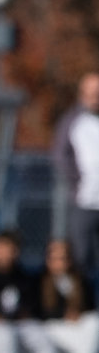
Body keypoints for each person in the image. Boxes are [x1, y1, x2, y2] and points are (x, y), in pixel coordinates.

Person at [37, 237, 99, 353]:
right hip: (52, 327)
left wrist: (76, 315)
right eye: (56, 258)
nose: (61, 262)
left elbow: (89, 308)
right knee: (89, 347)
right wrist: (64, 314)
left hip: (76, 328)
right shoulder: (40, 280)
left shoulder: (80, 279)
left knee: (95, 322)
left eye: (64, 258)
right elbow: (40, 311)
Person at [53, 71, 99, 275]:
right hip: (85, 201)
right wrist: (77, 182)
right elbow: (61, 155)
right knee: (82, 257)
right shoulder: (73, 121)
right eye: (91, 93)